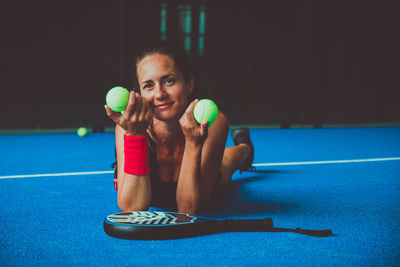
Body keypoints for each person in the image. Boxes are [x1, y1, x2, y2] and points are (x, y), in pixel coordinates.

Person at [105, 41, 254, 214]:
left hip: (199, 187)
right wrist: (135, 135)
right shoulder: (129, 127)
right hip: (145, 186)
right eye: (148, 86)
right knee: (225, 161)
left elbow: (189, 209)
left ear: (189, 84)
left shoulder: (211, 123)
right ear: (140, 92)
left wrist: (193, 143)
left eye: (169, 81)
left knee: (229, 162)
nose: (160, 94)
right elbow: (133, 209)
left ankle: (245, 147)